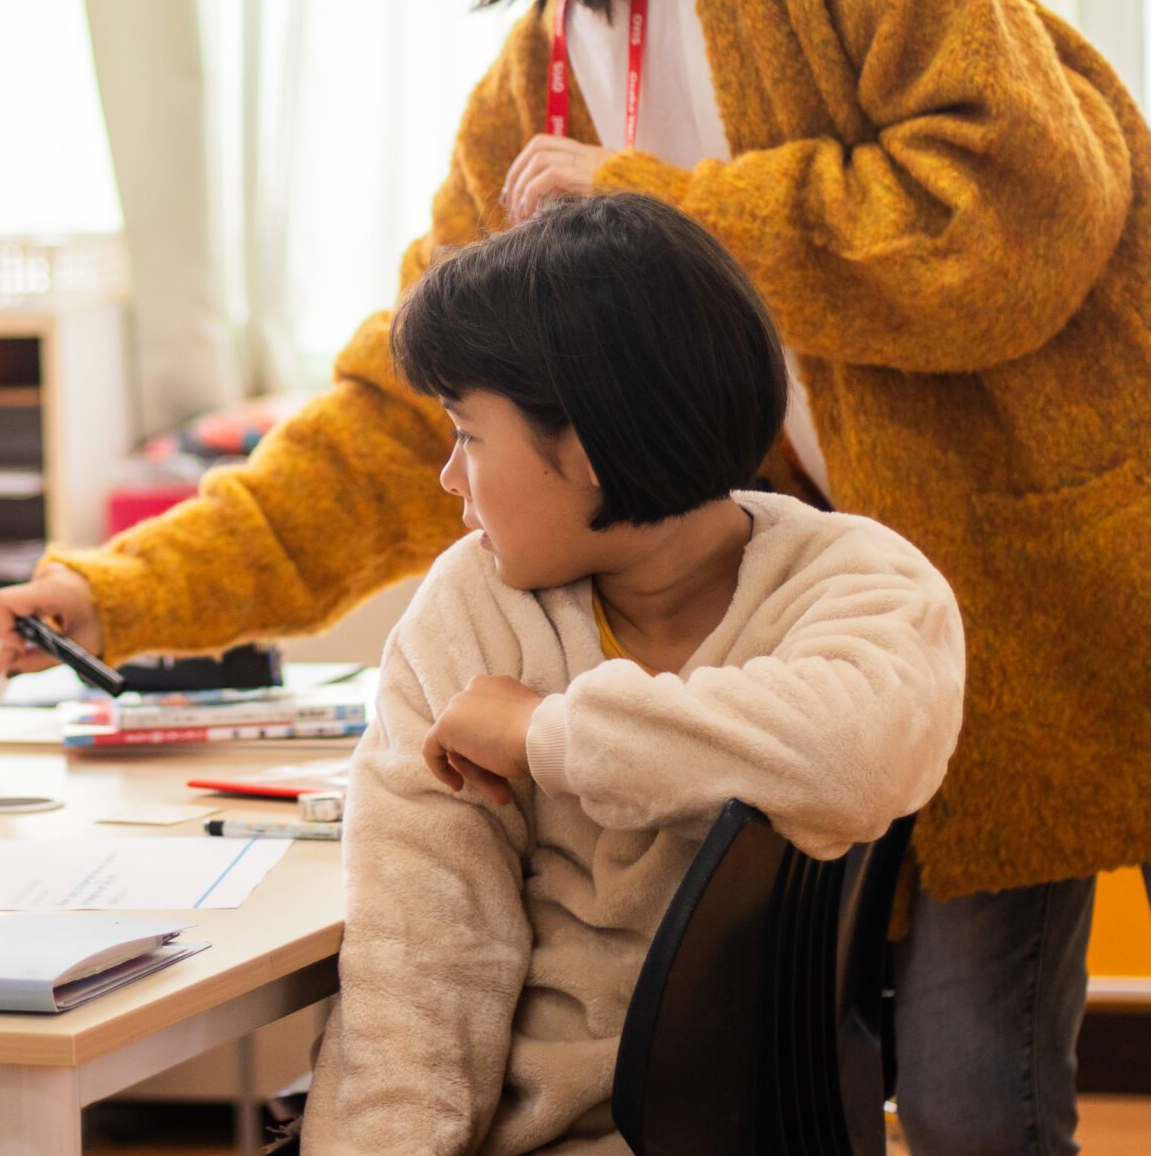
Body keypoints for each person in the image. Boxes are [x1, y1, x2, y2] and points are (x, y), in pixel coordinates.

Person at [0, 0, 1151, 1153]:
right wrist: (121, 589)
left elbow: (1030, 200)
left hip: (1144, 561)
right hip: (951, 640)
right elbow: (406, 409)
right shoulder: (543, 65)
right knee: (970, 1097)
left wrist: (670, 203)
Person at [300, 193, 964, 1153]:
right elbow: (420, 970)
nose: (450, 476)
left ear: (592, 443)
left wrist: (544, 734)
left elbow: (857, 749)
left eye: (468, 435)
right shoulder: (469, 615)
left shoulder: (858, 578)